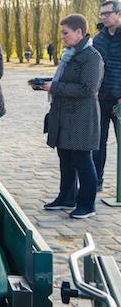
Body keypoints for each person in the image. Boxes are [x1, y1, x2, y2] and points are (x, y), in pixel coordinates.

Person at [40, 14, 103, 219]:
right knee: (65, 158)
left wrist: (55, 87)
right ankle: (67, 197)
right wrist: (45, 83)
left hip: (81, 118)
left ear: (79, 32)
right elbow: (67, 81)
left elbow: (88, 88)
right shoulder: (71, 54)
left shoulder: (92, 56)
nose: (63, 37)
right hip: (65, 116)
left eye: (65, 33)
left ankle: (87, 204)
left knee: (83, 160)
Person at [91, 0, 121, 192]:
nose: (103, 17)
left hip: (120, 100)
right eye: (101, 14)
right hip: (100, 98)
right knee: (97, 143)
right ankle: (97, 181)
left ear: (119, 14)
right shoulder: (98, 39)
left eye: (107, 13)